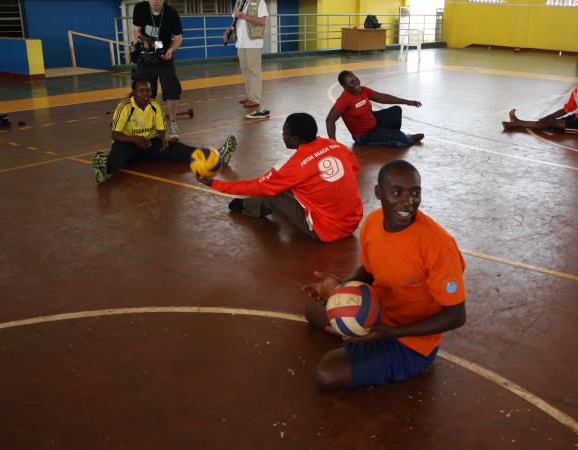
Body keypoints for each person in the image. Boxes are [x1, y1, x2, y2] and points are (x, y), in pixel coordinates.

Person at [301, 160, 467, 390]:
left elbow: (456, 316)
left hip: (409, 341)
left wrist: (389, 333)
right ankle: (358, 338)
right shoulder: (373, 223)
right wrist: (341, 288)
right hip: (376, 314)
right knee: (311, 311)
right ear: (379, 192)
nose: (408, 202)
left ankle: (361, 344)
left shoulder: (439, 246)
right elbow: (369, 269)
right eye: (397, 192)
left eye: (415, 193)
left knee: (325, 374)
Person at [197, 113, 362, 242]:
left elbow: (256, 186)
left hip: (327, 230)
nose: (282, 136)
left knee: (273, 195)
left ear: (295, 139)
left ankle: (245, 206)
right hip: (352, 222)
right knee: (294, 186)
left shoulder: (293, 166)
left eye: (285, 133)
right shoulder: (338, 146)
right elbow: (354, 169)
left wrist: (216, 184)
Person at [92, 79, 236, 185]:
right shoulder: (124, 107)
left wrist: (164, 139)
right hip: (128, 143)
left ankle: (218, 157)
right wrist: (135, 139)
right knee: (118, 157)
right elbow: (114, 135)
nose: (145, 94)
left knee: (177, 149)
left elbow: (161, 128)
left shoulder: (155, 105)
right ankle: (103, 170)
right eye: (141, 91)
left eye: (148, 90)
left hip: (149, 143)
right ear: (134, 93)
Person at [502, 68, 578, 144]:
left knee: (550, 123)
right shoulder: (577, 92)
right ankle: (517, 122)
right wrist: (548, 116)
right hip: (577, 118)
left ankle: (516, 123)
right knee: (549, 121)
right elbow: (565, 110)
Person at [326, 71, 424, 147]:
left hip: (374, 122)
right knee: (400, 139)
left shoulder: (363, 90)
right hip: (364, 135)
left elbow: (383, 98)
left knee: (396, 111)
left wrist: (408, 102)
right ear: (344, 87)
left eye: (356, 79)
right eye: (352, 82)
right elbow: (329, 120)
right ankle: (404, 137)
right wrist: (334, 144)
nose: (356, 83)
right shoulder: (344, 100)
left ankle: (388, 134)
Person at [132, 0, 184, 141]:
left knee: (171, 88)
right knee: (145, 91)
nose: (155, 2)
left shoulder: (171, 13)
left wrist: (171, 50)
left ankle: (173, 124)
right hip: (146, 56)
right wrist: (144, 39)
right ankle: (150, 124)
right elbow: (136, 30)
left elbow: (178, 38)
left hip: (164, 56)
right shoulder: (140, 8)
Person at [223, 0, 270, 120]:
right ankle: (250, 96)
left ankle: (255, 98)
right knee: (245, 70)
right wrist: (228, 31)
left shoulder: (260, 2)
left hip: (253, 41)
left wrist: (244, 16)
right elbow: (236, 21)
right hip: (241, 42)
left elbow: (262, 21)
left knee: (254, 70)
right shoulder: (239, 2)